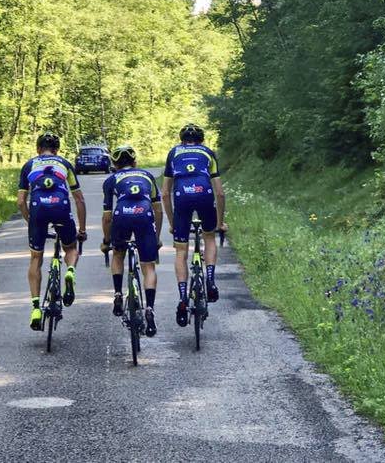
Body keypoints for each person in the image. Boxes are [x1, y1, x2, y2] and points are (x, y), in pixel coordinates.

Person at [17, 132, 87, 331]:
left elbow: (21, 201)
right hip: (61, 208)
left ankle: (36, 308)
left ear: (38, 149)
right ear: (56, 150)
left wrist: (30, 220)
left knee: (36, 259)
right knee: (71, 248)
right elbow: (79, 199)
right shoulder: (64, 163)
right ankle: (70, 272)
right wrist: (81, 229)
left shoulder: (29, 165)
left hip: (38, 210)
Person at [161, 123, 227, 328]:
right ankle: (210, 279)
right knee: (209, 237)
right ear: (202, 140)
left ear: (182, 140)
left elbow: (164, 193)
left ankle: (182, 297)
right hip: (204, 194)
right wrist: (220, 221)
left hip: (182, 198)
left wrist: (172, 224)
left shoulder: (173, 153)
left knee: (181, 251)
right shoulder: (208, 153)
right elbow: (220, 193)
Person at [100, 146, 162, 337]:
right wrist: (157, 237)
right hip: (145, 216)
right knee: (148, 266)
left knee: (118, 253)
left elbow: (107, 217)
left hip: (122, 216)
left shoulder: (111, 179)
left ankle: (118, 294)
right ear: (134, 162)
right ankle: (149, 309)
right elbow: (158, 210)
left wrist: (107, 240)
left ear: (115, 165)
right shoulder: (147, 176)